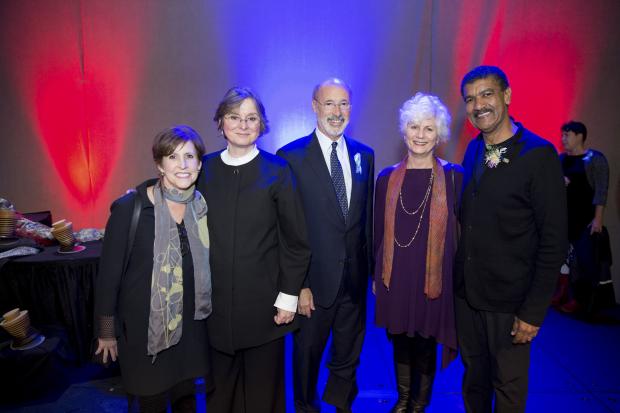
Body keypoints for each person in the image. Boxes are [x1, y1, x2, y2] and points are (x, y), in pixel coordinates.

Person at [455, 65, 567, 412]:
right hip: (469, 296)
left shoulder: (539, 155)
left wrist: (533, 312)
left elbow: (553, 242)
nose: (478, 105)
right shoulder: (473, 149)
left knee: (508, 388)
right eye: (470, 99)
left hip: (510, 302)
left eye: (487, 94)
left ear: (506, 95)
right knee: (474, 381)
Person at [199, 87, 312, 413]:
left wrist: (289, 296)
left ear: (262, 125)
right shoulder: (202, 170)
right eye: (234, 117)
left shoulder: (278, 170)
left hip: (266, 311)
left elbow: (296, 241)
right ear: (221, 123)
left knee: (265, 400)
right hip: (214, 312)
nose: (243, 125)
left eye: (252, 118)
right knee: (220, 399)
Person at [94, 125, 213, 413]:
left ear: (199, 162)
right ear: (159, 165)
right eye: (172, 157)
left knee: (187, 402)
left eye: (189, 156)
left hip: (191, 331)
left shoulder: (202, 206)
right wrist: (107, 332)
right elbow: (108, 277)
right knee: (152, 404)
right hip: (143, 334)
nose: (182, 165)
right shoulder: (130, 208)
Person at [277, 77, 375, 413]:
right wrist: (298, 286)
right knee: (307, 357)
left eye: (344, 103)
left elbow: (365, 221)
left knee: (348, 357)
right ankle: (306, 408)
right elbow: (286, 229)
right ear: (315, 107)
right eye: (329, 103)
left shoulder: (365, 155)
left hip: (354, 281)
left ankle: (342, 407)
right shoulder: (290, 156)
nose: (337, 111)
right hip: (314, 285)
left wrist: (372, 274)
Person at [373, 93, 461, 413]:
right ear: (404, 130)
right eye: (414, 127)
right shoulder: (386, 178)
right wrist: (375, 276)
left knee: (424, 340)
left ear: (439, 134)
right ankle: (403, 399)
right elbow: (377, 233)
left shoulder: (455, 177)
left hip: (433, 274)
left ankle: (419, 405)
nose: (420, 135)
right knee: (398, 336)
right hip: (396, 274)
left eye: (428, 128)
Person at [551, 121, 610, 312]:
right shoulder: (560, 159)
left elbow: (601, 190)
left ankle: (579, 298)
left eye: (567, 135)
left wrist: (597, 219)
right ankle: (562, 292)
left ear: (580, 136)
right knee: (564, 256)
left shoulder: (595, 159)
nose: (563, 139)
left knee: (581, 258)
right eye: (562, 135)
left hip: (584, 219)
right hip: (564, 217)